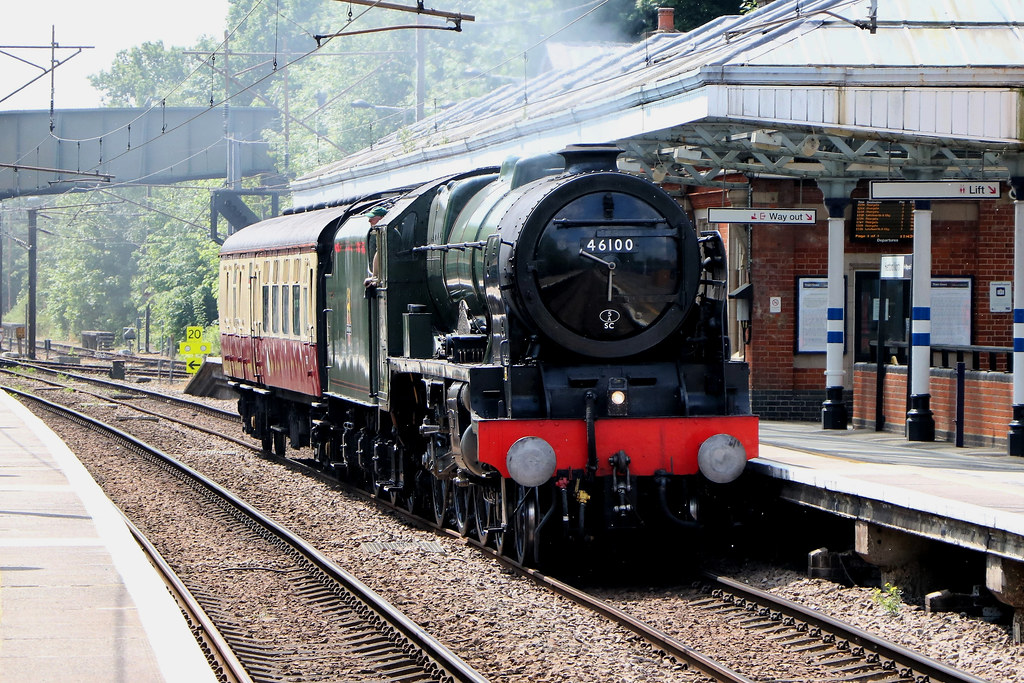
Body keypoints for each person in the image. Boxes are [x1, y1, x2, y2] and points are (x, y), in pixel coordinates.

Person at [364, 206, 387, 289]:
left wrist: (374, 277)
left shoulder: (388, 234)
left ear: (382, 218)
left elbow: (380, 254)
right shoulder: (379, 234)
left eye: (372, 218)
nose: (369, 221)